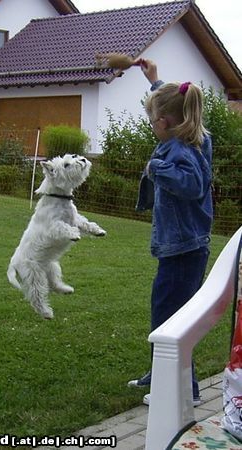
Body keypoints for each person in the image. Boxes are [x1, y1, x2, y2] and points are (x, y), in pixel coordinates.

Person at [128, 60, 213, 407]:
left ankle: (182, 388)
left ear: (165, 123)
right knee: (164, 314)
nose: (152, 126)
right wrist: (154, 83)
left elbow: (192, 185)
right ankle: (160, 371)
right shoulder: (194, 136)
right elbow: (174, 105)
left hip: (182, 251)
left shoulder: (179, 150)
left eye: (153, 121)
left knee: (172, 319)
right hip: (185, 249)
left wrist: (155, 167)